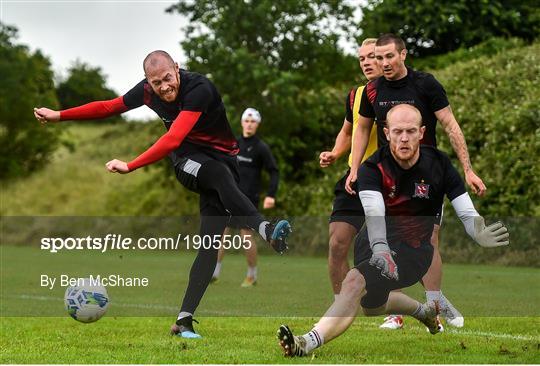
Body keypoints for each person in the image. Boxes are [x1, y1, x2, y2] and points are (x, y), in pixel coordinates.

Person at [33, 50, 291, 339]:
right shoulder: (146, 92)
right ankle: (266, 229)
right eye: (156, 83)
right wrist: (59, 115)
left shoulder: (200, 89)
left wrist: (131, 164)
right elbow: (112, 108)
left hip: (224, 164)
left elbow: (172, 136)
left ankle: (183, 320)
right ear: (148, 82)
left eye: (167, 78)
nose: (164, 87)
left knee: (210, 240)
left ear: (177, 69)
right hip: (188, 161)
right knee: (217, 175)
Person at [277, 104, 509, 357]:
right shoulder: (371, 168)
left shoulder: (439, 164)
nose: (404, 138)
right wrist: (380, 249)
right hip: (374, 243)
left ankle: (306, 343)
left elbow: (464, 209)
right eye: (398, 131)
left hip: (414, 252)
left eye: (411, 131)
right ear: (386, 133)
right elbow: (374, 212)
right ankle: (426, 313)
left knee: (354, 282)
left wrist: (478, 232)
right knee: (372, 306)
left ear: (421, 132)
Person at [345, 34, 486, 329]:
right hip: (388, 178)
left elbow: (450, 125)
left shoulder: (426, 84)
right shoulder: (372, 90)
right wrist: (354, 168)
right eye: (377, 58)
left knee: (429, 239)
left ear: (403, 55)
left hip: (427, 177)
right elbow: (362, 129)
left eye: (388, 57)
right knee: (387, 239)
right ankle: (396, 311)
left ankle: (435, 302)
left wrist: (468, 169)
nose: (382, 63)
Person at [319, 38, 380, 299]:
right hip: (354, 177)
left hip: (387, 181)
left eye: (372, 56)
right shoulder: (356, 95)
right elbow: (347, 131)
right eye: (362, 58)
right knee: (337, 244)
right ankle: (341, 306)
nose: (366, 62)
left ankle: (395, 310)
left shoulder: (399, 94)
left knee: (383, 248)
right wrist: (334, 153)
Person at [212, 107, 280, 287]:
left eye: (253, 122)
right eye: (247, 121)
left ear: (257, 125)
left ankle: (252, 275)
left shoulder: (261, 148)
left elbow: (274, 171)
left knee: (245, 237)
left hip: (248, 198)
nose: (249, 125)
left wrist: (271, 195)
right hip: (228, 195)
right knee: (221, 235)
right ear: (242, 122)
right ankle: (214, 272)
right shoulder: (233, 143)